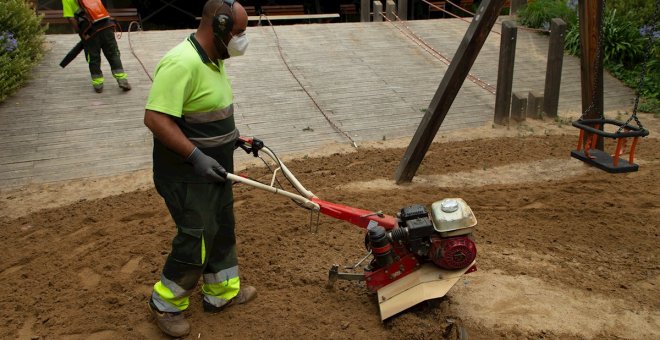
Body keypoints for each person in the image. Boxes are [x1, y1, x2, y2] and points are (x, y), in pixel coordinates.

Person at [143, 0, 253, 337]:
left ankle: (220, 294)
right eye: (239, 33)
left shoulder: (214, 60)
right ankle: (166, 304)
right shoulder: (181, 62)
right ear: (219, 27)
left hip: (215, 170)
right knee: (197, 237)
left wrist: (236, 139)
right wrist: (196, 157)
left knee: (221, 227)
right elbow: (156, 119)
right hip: (185, 174)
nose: (242, 40)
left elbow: (207, 114)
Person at [62, 0, 131, 93]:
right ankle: (122, 80)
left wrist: (81, 33)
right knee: (113, 53)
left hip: (90, 31)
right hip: (107, 25)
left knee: (93, 57)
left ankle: (98, 85)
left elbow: (71, 18)